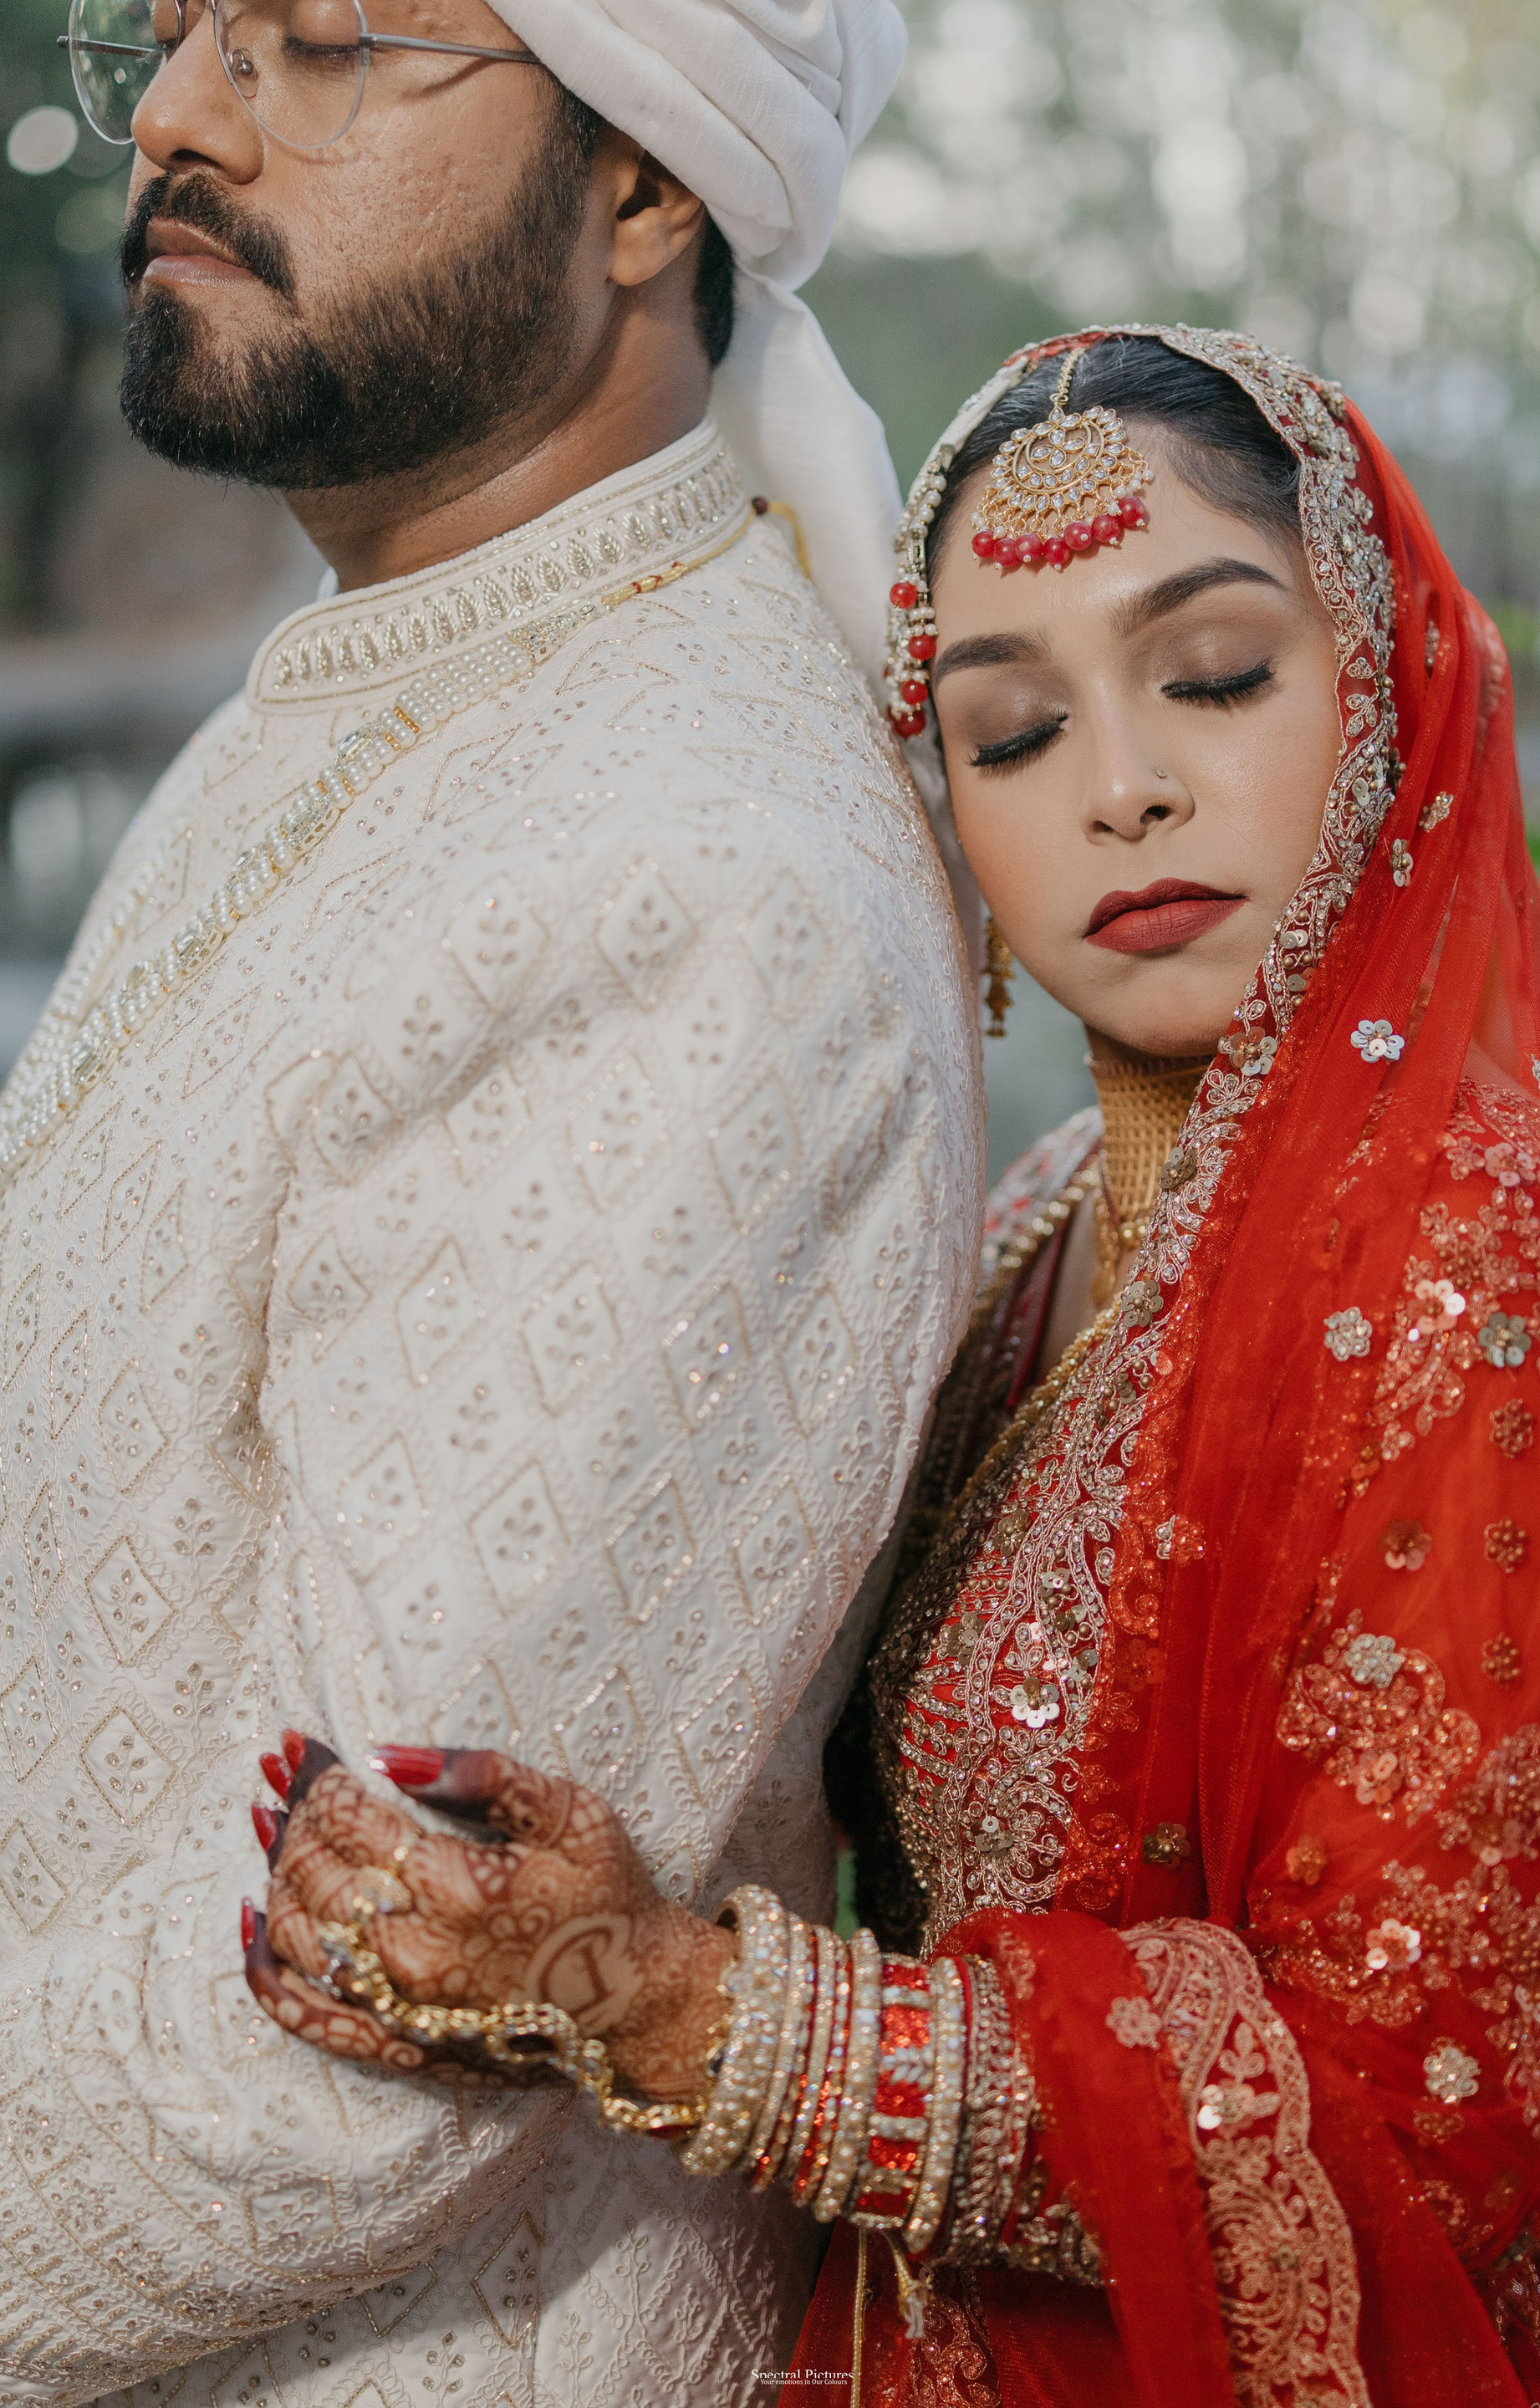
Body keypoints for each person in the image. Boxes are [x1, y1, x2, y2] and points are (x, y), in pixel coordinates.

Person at [248, 323, 1540, 2408]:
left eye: (1214, 675)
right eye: (1012, 728)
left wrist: (669, 2009)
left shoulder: (1497, 1275)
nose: (1122, 786)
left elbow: (1419, 2126)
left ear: (1391, 687)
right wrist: (503, 1935)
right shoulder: (1036, 1230)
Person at [0, 3, 987, 2403]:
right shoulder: (368, 689)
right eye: (175, 27)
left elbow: (339, 2025)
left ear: (647, 185)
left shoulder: (690, 888)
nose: (177, 117)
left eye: (322, 40)